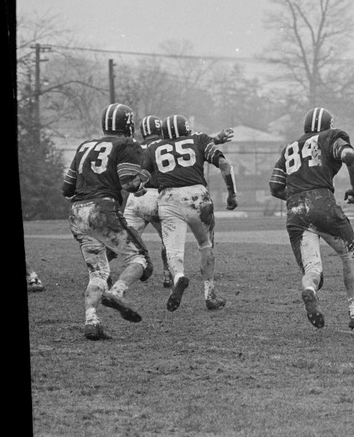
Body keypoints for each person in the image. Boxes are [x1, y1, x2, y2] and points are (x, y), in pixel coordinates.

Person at [268, 106, 354, 331]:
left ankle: (310, 291)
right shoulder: (331, 137)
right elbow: (349, 155)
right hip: (322, 202)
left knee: (313, 271)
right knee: (349, 254)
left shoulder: (289, 148)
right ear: (328, 126)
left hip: (294, 209)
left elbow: (275, 188)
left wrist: (296, 197)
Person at [61, 102, 153, 340]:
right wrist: (143, 178)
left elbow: (67, 188)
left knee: (98, 272)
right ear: (129, 124)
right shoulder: (126, 144)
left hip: (76, 212)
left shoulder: (85, 145)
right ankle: (117, 292)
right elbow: (127, 183)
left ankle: (91, 320)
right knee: (140, 258)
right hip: (102, 208)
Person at [123, 115, 234, 289]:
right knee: (203, 244)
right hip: (190, 197)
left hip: (158, 198)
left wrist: (131, 187)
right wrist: (232, 194)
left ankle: (175, 276)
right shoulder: (194, 139)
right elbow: (215, 158)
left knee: (164, 246)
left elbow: (136, 178)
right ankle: (204, 289)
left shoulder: (149, 147)